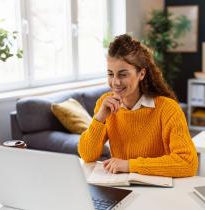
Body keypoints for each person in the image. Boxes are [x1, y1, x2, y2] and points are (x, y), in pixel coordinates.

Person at [78, 34, 198, 177]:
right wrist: (99, 117)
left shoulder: (167, 108)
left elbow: (188, 163)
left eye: (123, 74)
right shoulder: (105, 104)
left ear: (141, 74)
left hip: (160, 190)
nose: (115, 82)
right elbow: (87, 155)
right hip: (121, 188)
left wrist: (130, 165)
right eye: (110, 74)